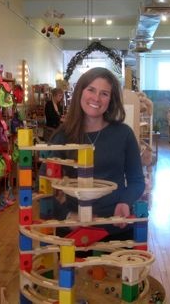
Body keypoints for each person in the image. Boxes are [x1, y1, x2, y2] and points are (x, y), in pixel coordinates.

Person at [46, 67, 145, 240]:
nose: (96, 98)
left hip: (116, 227)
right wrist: (69, 216)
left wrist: (125, 201)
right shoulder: (61, 137)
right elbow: (46, 187)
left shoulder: (124, 134)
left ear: (111, 100)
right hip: (73, 231)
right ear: (80, 93)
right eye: (91, 89)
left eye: (104, 93)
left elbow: (137, 180)